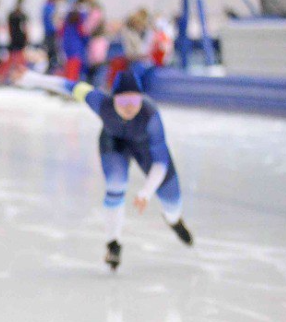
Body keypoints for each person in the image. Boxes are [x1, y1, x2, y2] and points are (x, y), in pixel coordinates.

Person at [13, 68, 194, 270]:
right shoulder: (99, 101)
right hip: (114, 142)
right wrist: (33, 78)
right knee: (115, 186)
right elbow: (67, 86)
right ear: (113, 99)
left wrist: (145, 192)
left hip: (147, 149)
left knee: (172, 203)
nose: (129, 108)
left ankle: (174, 220)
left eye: (134, 102)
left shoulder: (150, 115)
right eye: (123, 102)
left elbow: (160, 164)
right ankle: (113, 244)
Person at [42, 0, 65, 73]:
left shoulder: (50, 7)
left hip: (52, 33)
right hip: (51, 33)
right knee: (52, 53)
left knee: (53, 53)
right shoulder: (49, 7)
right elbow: (50, 22)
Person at [6, 0, 28, 77]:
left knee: (19, 59)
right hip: (15, 39)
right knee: (14, 59)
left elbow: (25, 28)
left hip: (18, 39)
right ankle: (15, 76)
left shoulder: (20, 15)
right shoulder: (17, 15)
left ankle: (20, 76)